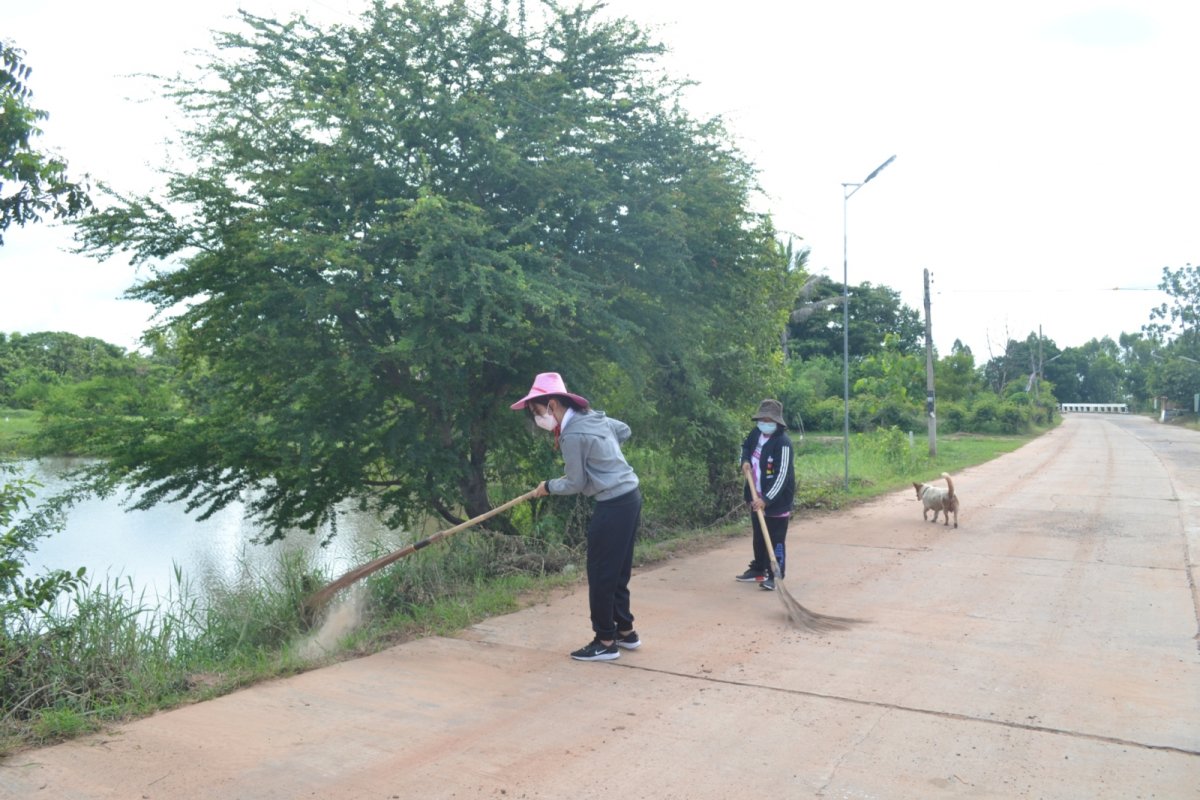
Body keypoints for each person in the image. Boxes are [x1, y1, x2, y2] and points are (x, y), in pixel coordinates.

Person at [511, 372, 643, 662]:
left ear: (553, 404)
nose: (538, 419)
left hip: (613, 504)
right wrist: (603, 460)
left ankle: (605, 640)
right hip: (631, 496)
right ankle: (625, 632)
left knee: (601, 573)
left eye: (537, 412)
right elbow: (625, 431)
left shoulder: (572, 434)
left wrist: (547, 486)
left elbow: (575, 484)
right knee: (618, 569)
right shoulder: (594, 418)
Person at [734, 399, 795, 591]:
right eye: (763, 419)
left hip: (776, 502)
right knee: (759, 536)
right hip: (755, 496)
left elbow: (782, 475)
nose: (765, 423)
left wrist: (766, 500)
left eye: (769, 419)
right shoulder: (756, 434)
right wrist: (744, 461)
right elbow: (745, 448)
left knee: (775, 539)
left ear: (777, 422)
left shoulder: (783, 443)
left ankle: (776, 574)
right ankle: (759, 569)